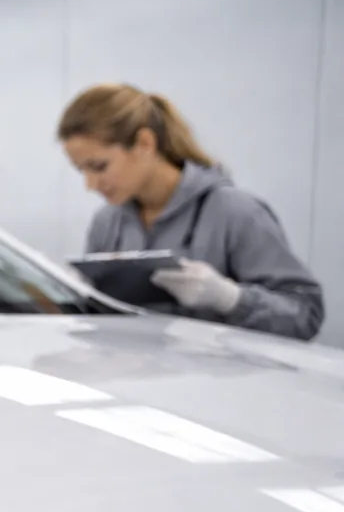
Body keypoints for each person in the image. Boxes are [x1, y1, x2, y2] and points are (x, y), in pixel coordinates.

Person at [58, 82, 324, 341]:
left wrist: (231, 299)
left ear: (144, 143)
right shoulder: (107, 222)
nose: (90, 185)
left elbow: (306, 315)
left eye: (99, 166)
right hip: (129, 382)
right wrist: (67, 295)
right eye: (81, 170)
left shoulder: (235, 212)